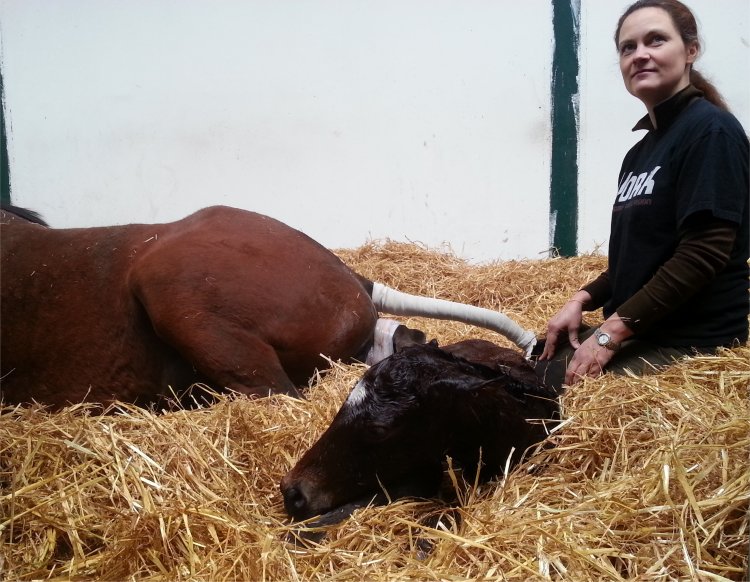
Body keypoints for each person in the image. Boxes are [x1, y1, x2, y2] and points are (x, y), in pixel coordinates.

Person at [535, 0, 749, 388]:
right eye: (628, 47)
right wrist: (582, 299)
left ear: (690, 50)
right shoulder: (641, 151)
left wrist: (608, 334)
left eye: (656, 40)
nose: (640, 55)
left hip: (689, 343)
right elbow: (639, 260)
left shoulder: (710, 132)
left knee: (548, 396)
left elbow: (703, 254)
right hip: (644, 331)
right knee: (529, 363)